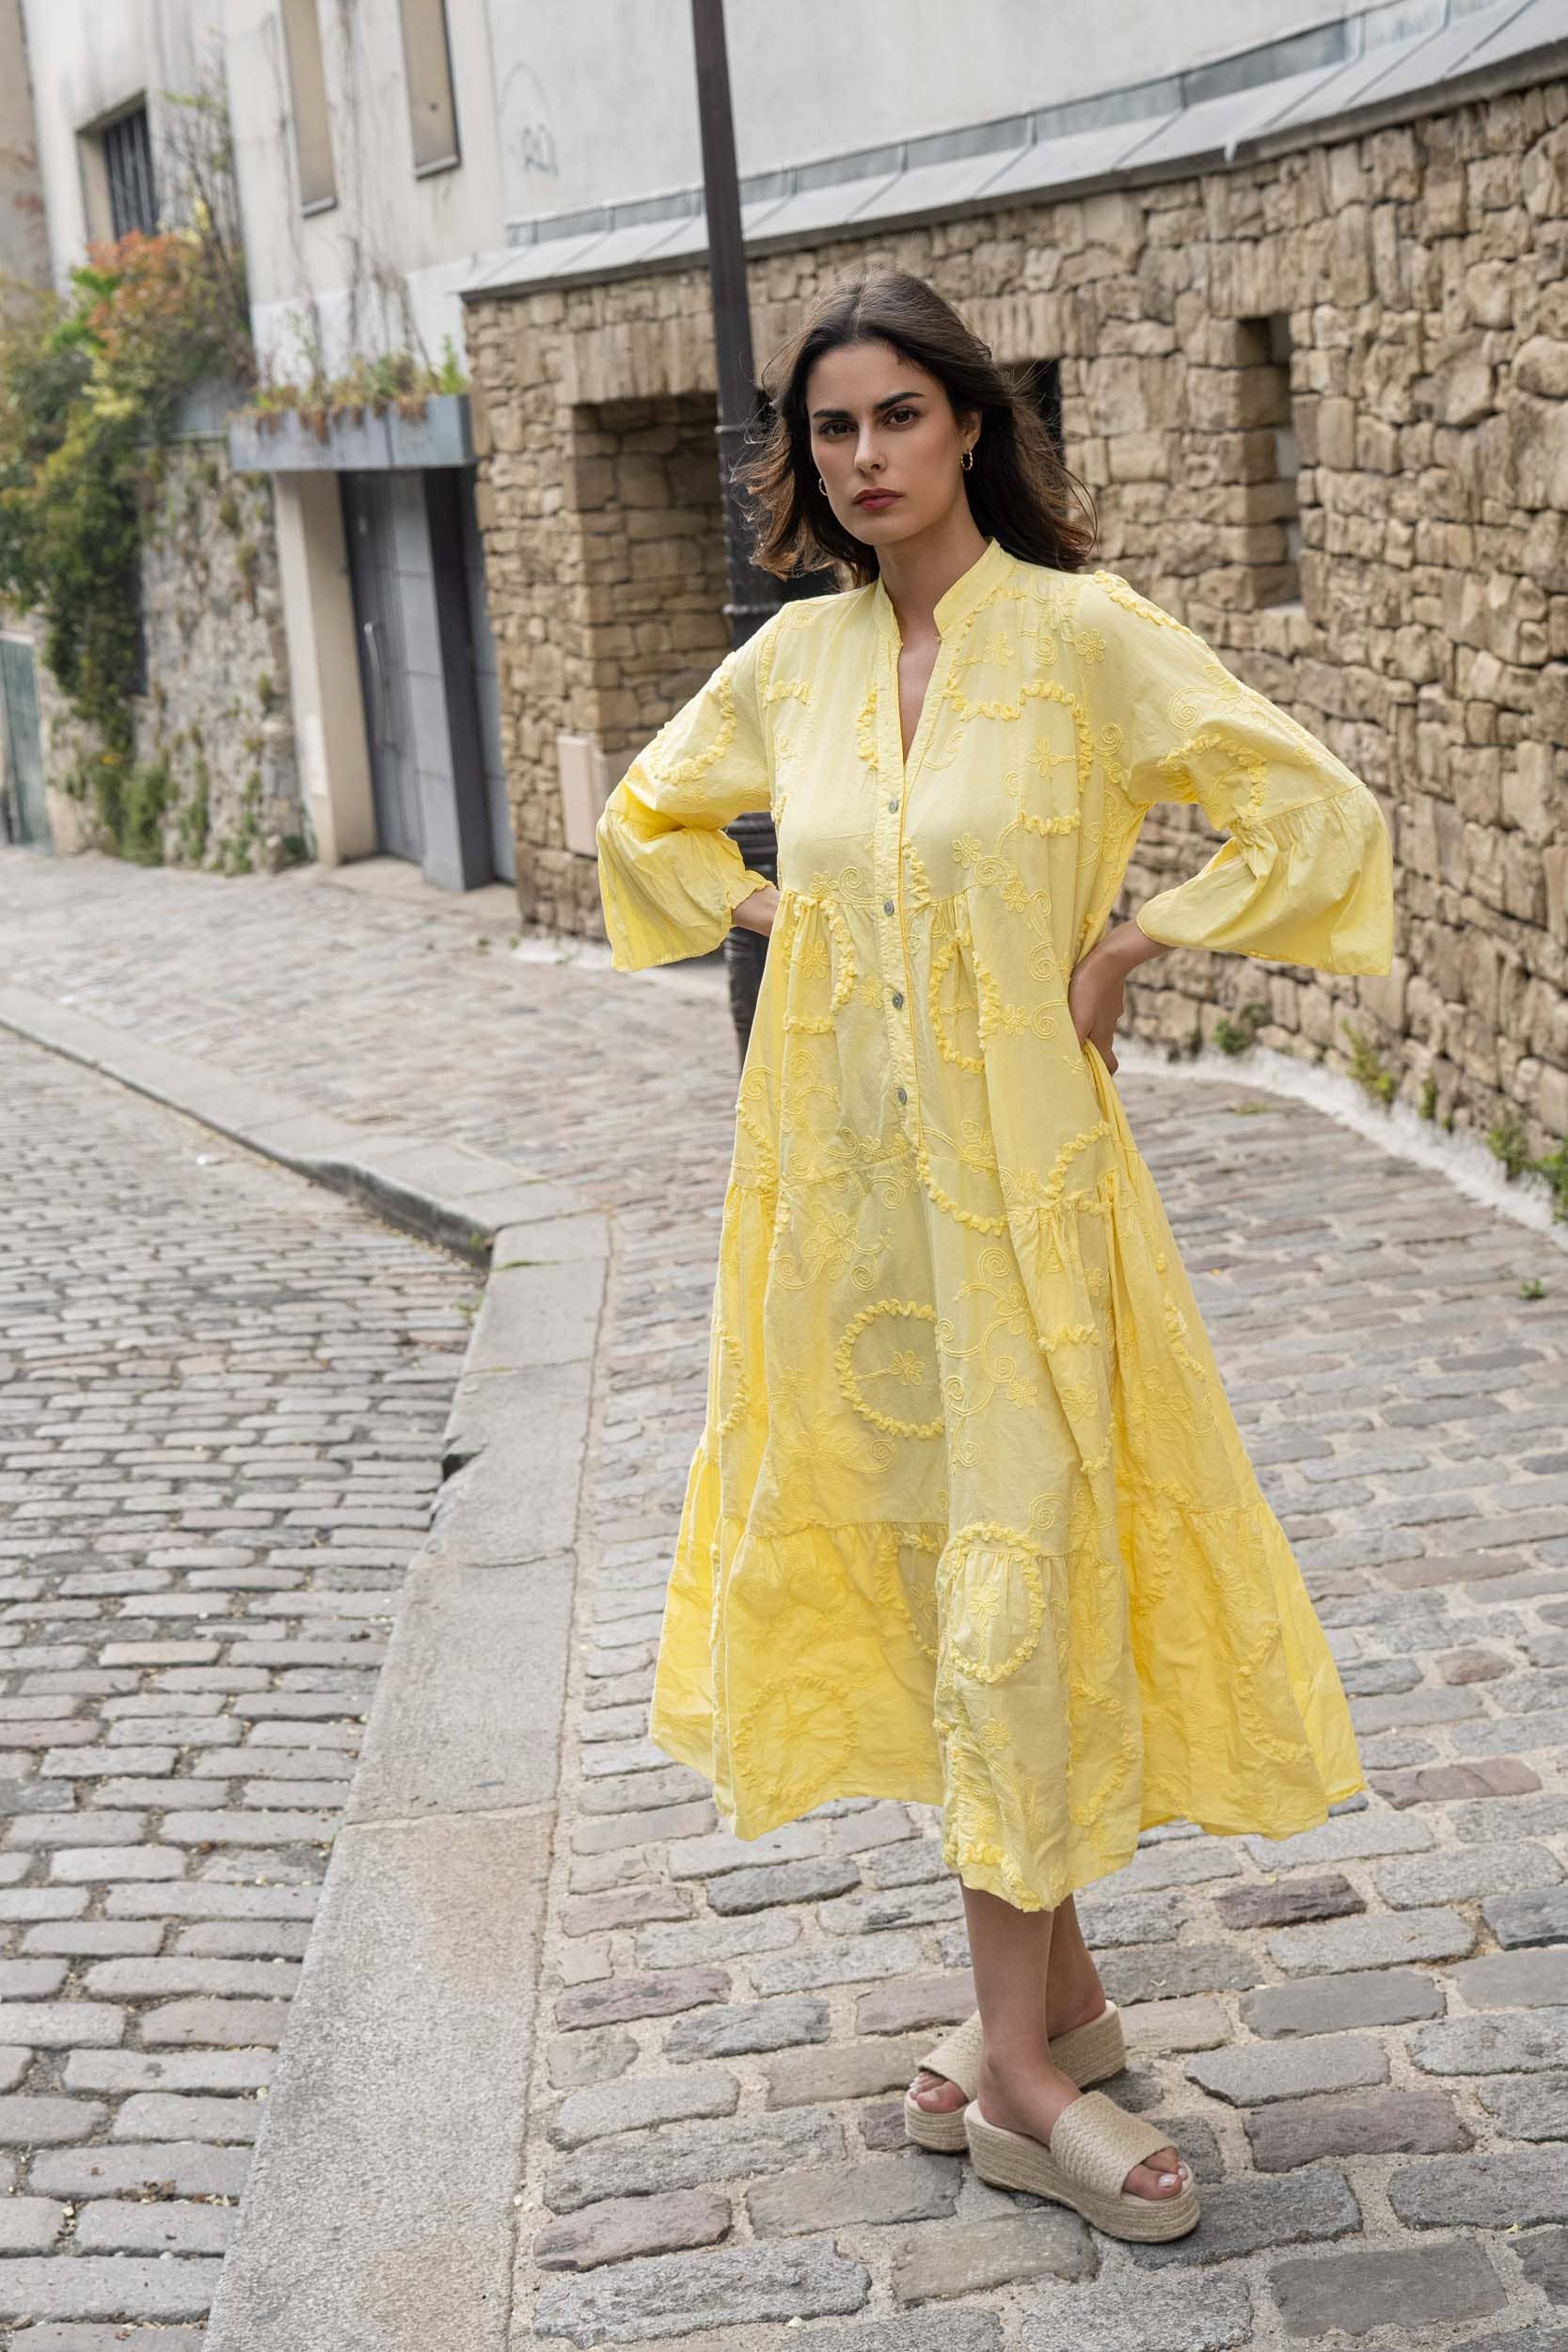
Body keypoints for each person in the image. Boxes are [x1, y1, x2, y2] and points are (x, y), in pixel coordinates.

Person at [594, 268, 1394, 2246]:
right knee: (940, 1577)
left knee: (1013, 1591)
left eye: (898, 416)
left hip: (1031, 1204)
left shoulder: (1083, 637)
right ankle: (1060, 2011)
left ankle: (1021, 2076)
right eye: (832, 428)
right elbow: (645, 821)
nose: (866, 456)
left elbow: (1312, 809)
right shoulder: (794, 663)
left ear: (969, 424)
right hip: (848, 1217)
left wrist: (1131, 941)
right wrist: (778, 908)